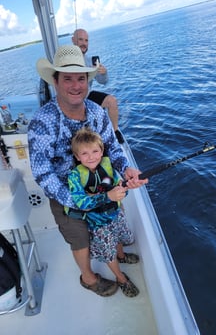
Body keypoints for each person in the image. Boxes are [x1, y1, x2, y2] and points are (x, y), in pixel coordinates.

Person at [28, 45, 147, 297]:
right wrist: (78, 201)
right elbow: (42, 172)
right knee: (79, 238)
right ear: (55, 81)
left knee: (113, 221)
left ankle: (118, 255)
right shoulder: (42, 120)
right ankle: (89, 278)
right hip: (66, 193)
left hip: (102, 183)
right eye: (67, 79)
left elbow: (112, 148)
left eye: (80, 78)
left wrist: (126, 170)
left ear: (87, 81)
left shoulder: (96, 112)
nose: (75, 86)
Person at [65, 127, 139, 297]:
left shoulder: (108, 168)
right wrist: (107, 196)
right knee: (108, 252)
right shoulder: (75, 176)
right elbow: (81, 202)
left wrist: (124, 188)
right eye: (84, 153)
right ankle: (121, 278)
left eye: (95, 151)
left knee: (120, 237)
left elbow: (122, 190)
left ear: (102, 151)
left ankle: (121, 255)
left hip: (116, 214)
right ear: (77, 157)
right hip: (99, 224)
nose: (91, 156)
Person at [72, 28, 124, 144]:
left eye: (86, 40)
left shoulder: (90, 60)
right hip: (73, 99)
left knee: (112, 101)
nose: (84, 43)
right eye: (80, 39)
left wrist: (103, 73)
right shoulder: (67, 59)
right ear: (73, 40)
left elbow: (103, 82)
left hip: (87, 95)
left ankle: (115, 131)